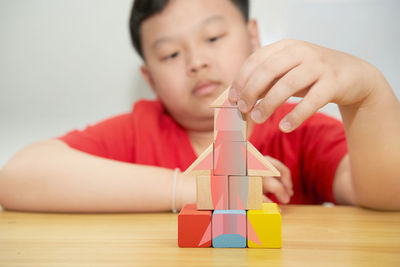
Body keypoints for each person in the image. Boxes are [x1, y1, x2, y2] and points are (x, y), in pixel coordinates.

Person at [0, 0, 399, 212]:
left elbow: (387, 194)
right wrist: (199, 188)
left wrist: (371, 94)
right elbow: (18, 176)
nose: (196, 62)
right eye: (171, 54)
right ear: (150, 79)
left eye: (212, 38)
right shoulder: (139, 129)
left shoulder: (295, 126)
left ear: (253, 35)